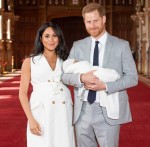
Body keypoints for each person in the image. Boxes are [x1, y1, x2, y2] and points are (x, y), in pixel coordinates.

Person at [62, 3, 138, 147]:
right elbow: (65, 76)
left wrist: (105, 86)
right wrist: (81, 78)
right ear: (84, 22)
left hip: (108, 109)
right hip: (82, 110)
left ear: (103, 19)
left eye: (95, 20)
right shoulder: (78, 45)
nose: (92, 25)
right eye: (88, 22)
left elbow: (132, 78)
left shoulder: (121, 45)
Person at [19, 22, 75, 147]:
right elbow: (22, 93)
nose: (51, 40)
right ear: (40, 38)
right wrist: (31, 119)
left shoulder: (66, 60)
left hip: (64, 111)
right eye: (47, 36)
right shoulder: (30, 61)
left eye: (55, 36)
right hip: (41, 111)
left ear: (59, 38)